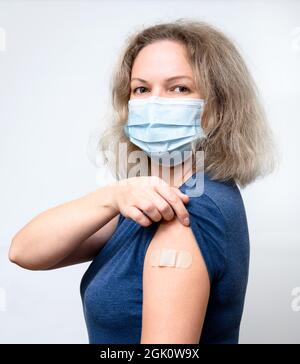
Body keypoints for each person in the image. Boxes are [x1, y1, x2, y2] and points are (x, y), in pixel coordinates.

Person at [9, 19, 275, 344]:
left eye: (179, 88)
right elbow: (25, 252)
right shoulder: (147, 199)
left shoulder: (184, 212)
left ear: (217, 107)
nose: (155, 103)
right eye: (142, 89)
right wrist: (113, 196)